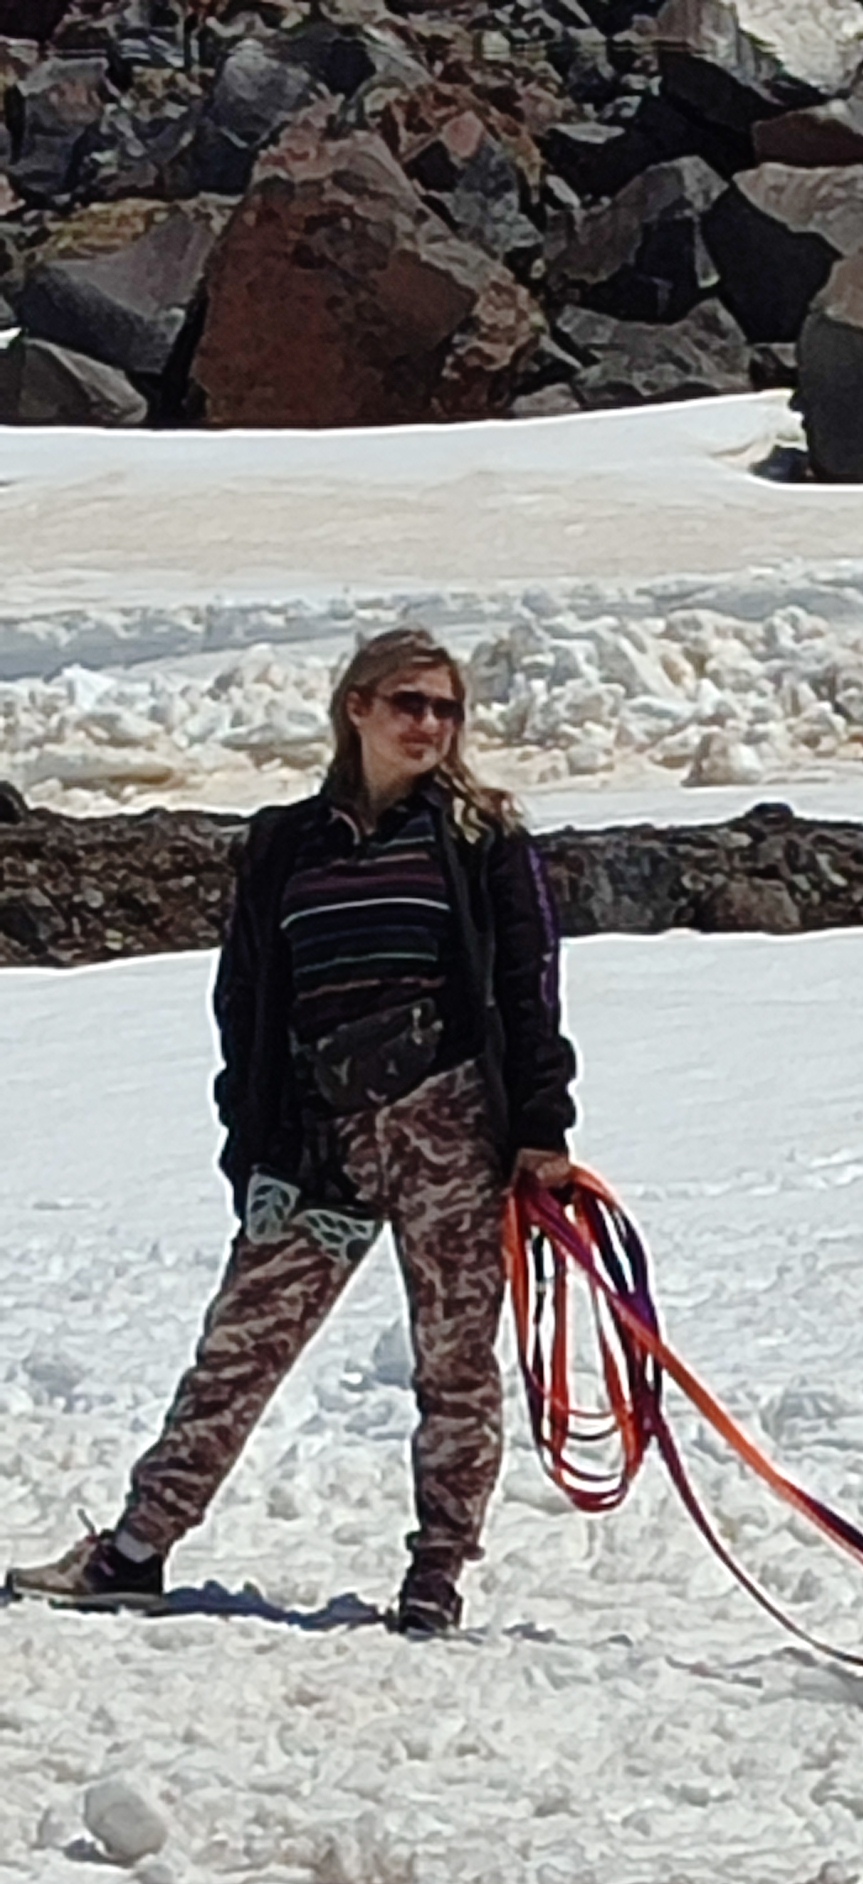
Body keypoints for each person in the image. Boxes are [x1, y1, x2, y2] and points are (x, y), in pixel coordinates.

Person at [7, 626, 574, 1639]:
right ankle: (134, 1550)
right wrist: (253, 1143)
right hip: (320, 1140)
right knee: (240, 1345)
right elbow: (247, 1004)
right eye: (408, 703)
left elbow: (529, 993)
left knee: (455, 1361)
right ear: (357, 707)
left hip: (448, 1128)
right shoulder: (284, 844)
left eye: (445, 709)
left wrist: (541, 1128)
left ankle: (437, 1573)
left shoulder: (483, 839)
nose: (429, 725)